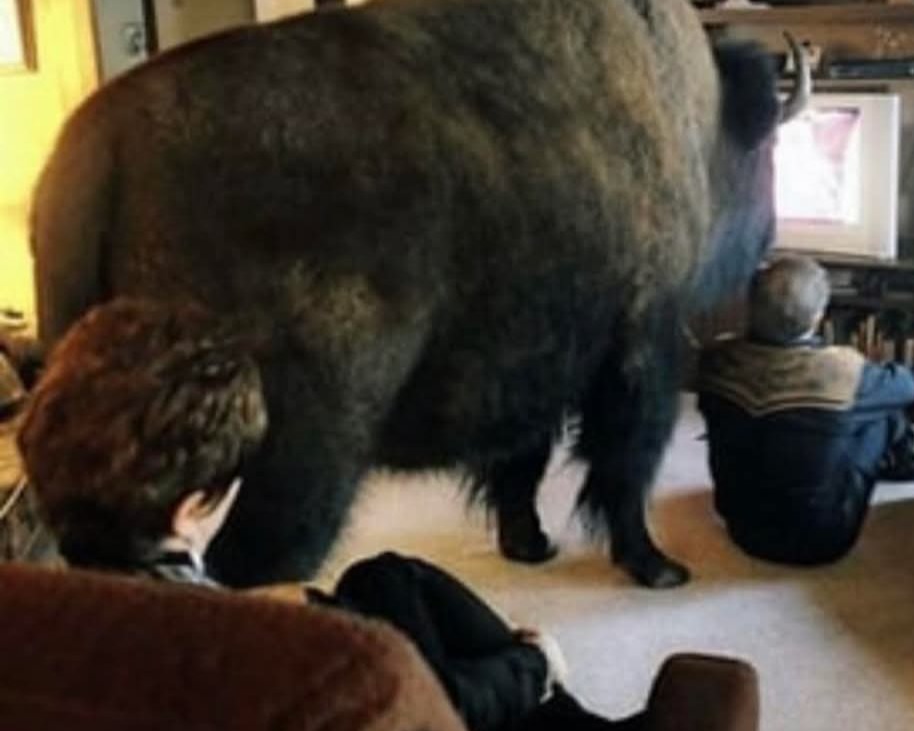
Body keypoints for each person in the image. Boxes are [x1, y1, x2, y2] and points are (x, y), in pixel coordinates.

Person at [15, 297, 638, 731]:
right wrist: (533, 667)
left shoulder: (33, 617)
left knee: (389, 577)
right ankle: (557, 693)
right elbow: (429, 713)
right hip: (422, 703)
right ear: (188, 512)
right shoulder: (316, 668)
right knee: (452, 661)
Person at [697, 254, 914, 566]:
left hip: (743, 529)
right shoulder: (842, 371)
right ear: (818, 317)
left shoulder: (715, 360)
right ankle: (904, 465)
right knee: (883, 413)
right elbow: (909, 387)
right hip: (823, 541)